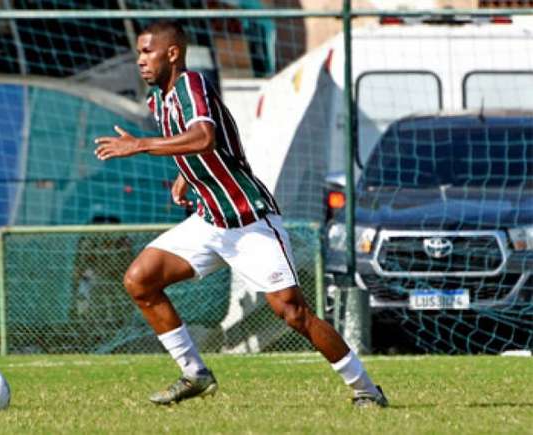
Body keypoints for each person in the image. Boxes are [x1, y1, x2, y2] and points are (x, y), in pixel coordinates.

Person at [94, 20, 388, 408]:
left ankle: (366, 389)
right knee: (140, 280)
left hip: (249, 222)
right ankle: (195, 374)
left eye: (147, 52)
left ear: (172, 53)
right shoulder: (157, 101)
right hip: (209, 222)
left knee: (293, 313)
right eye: (138, 53)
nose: (140, 60)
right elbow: (201, 151)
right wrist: (186, 177)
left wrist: (141, 145)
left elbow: (204, 137)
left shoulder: (191, 85)